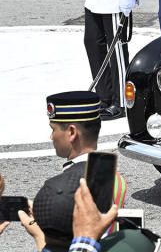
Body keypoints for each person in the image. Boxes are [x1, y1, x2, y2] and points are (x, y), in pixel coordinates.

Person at [30, 91, 128, 252]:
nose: (51, 136)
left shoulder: (62, 188)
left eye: (53, 129)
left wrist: (40, 234)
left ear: (71, 132)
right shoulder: (115, 178)